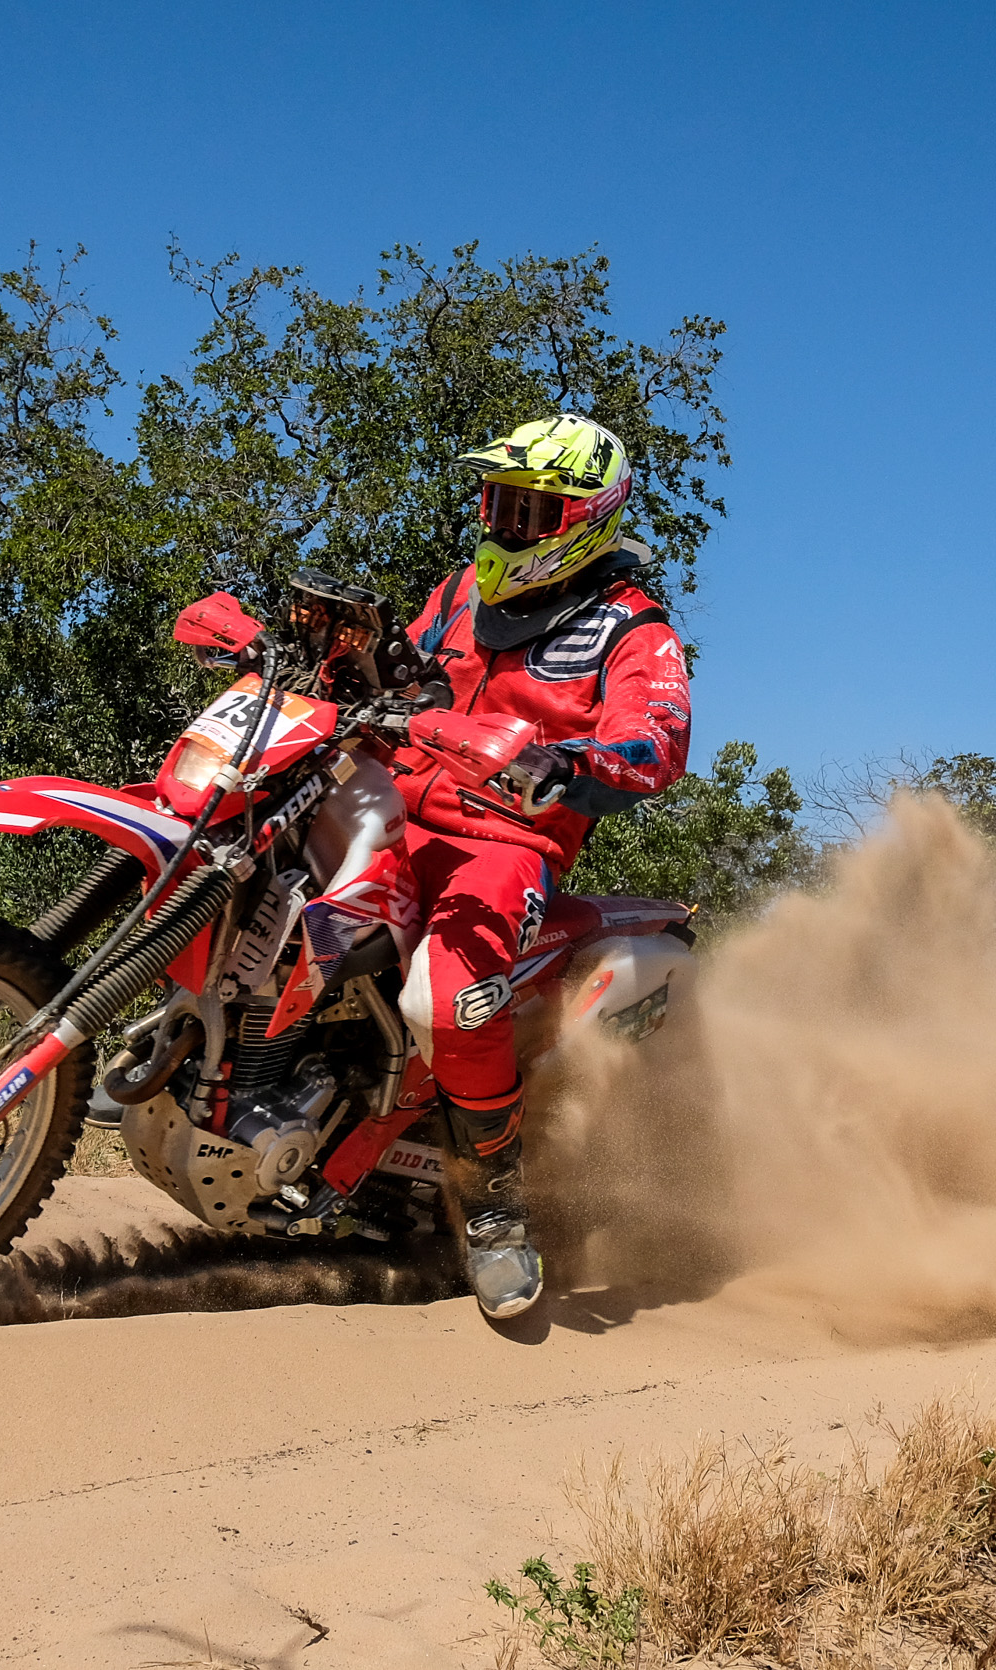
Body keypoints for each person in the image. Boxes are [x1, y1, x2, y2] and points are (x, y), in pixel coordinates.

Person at [391, 413, 692, 1318]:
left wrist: (574, 762)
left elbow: (658, 739)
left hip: (504, 841)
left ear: (585, 521)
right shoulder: (456, 594)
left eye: (531, 511)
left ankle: (495, 1212)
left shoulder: (633, 629)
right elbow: (405, 673)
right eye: (500, 503)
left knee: (440, 999)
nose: (507, 525)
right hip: (389, 801)